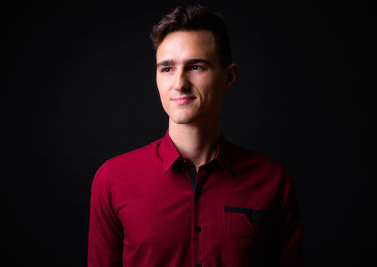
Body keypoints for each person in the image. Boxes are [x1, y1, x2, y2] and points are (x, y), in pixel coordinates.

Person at [88, 5, 301, 267]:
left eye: (196, 67)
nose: (179, 83)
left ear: (229, 76)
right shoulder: (112, 180)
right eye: (166, 68)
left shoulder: (273, 181)